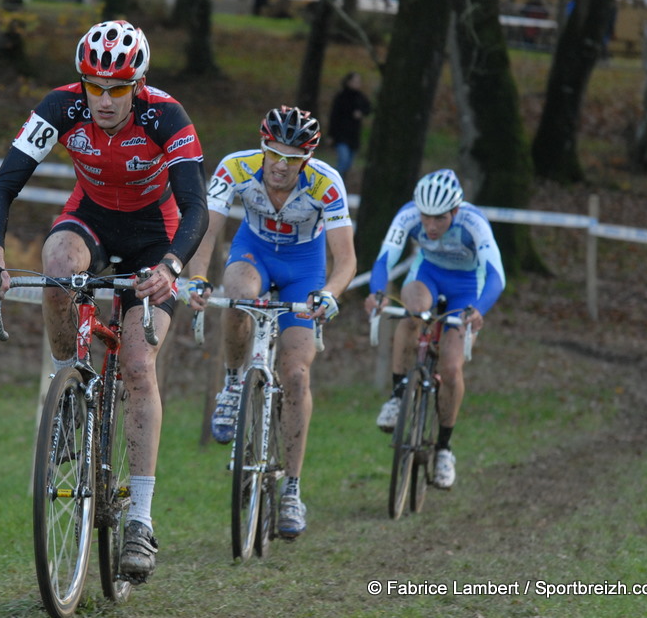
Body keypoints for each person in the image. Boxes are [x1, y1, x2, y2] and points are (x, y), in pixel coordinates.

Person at [0, 20, 208, 583]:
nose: (104, 100)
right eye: (94, 86)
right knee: (56, 263)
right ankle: (67, 388)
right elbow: (5, 184)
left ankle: (140, 522)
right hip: (93, 220)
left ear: (139, 84)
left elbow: (195, 206)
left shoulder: (166, 117)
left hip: (157, 236)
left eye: (118, 89)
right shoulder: (60, 107)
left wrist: (171, 267)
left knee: (137, 365)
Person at [186, 106, 357, 539]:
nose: (280, 165)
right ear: (262, 146)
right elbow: (207, 229)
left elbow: (347, 259)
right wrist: (197, 278)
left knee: (296, 375)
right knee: (239, 294)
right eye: (273, 153)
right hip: (254, 253)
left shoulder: (326, 183)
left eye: (292, 157)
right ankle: (231, 384)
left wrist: (331, 295)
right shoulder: (236, 167)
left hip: (304, 270)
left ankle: (292, 490)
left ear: (307, 159)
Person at [363, 169, 505, 490]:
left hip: (467, 288)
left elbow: (496, 275)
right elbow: (385, 258)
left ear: (455, 211)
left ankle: (444, 448)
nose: (430, 226)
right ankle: (399, 394)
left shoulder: (474, 223)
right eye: (426, 218)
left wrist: (479, 310)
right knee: (412, 311)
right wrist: (377, 291)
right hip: (428, 275)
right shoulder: (408, 215)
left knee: (452, 368)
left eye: (439, 219)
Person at [327, 72, 373, 183]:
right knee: (343, 161)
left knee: (348, 164)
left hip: (353, 136)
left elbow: (369, 108)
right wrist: (331, 135)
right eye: (355, 81)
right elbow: (334, 116)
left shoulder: (360, 97)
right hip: (341, 135)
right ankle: (334, 183)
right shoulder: (341, 97)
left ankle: (341, 184)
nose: (357, 84)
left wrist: (361, 113)